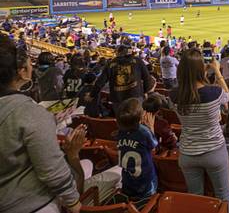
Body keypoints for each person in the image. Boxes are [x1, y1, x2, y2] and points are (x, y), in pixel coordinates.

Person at [0, 35, 82, 213]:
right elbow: (53, 172)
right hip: (32, 204)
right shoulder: (30, 113)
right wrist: (75, 204)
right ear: (21, 71)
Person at [171, 50, 229, 213]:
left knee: (196, 198)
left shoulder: (174, 95)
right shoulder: (214, 93)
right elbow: (227, 95)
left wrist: (198, 75)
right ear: (201, 69)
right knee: (224, 195)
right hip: (214, 151)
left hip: (187, 154)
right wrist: (217, 71)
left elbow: (191, 92)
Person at [114, 98, 158, 207]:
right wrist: (151, 127)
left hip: (128, 179)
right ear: (140, 117)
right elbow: (154, 148)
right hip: (145, 180)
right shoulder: (144, 131)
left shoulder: (119, 132)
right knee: (148, 202)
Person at [89, 44, 154, 115]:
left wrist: (92, 95)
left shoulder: (111, 64)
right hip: (136, 96)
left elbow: (100, 82)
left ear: (118, 52)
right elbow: (147, 79)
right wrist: (144, 92)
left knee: (122, 121)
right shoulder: (138, 61)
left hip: (118, 99)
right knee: (136, 120)